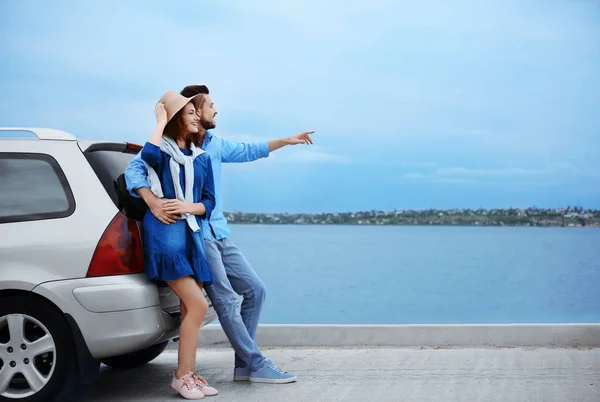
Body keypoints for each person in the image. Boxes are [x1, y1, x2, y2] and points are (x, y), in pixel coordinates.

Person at [125, 84, 314, 384]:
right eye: (209, 106)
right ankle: (254, 362)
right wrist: (153, 201)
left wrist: (285, 141)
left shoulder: (212, 145)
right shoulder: (166, 145)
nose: (215, 111)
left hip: (220, 231)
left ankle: (245, 364)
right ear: (193, 112)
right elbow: (135, 170)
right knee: (226, 300)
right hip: (198, 237)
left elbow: (249, 151)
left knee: (255, 290)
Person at [138, 90, 219, 399]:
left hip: (192, 238)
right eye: (189, 113)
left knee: (190, 310)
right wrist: (160, 121)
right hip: (167, 237)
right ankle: (181, 376)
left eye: (195, 112)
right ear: (176, 120)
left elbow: (208, 202)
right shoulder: (162, 153)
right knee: (198, 304)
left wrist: (188, 207)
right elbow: (147, 155)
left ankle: (189, 373)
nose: (197, 116)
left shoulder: (202, 158)